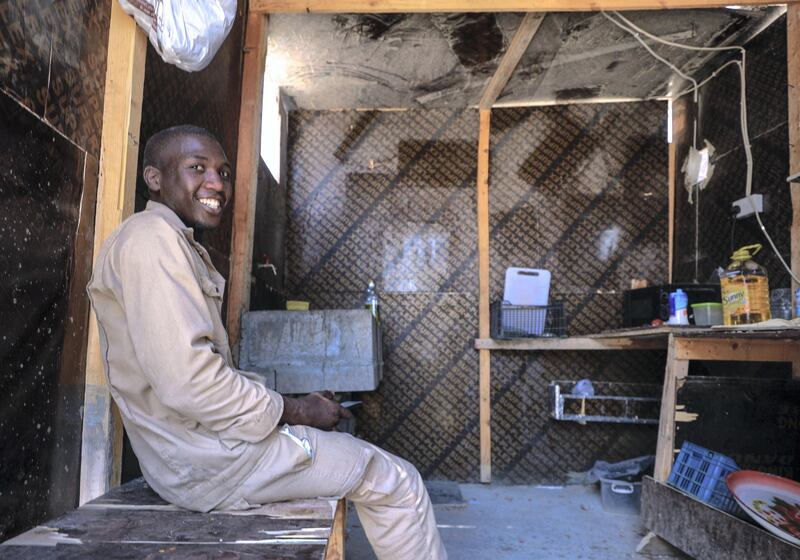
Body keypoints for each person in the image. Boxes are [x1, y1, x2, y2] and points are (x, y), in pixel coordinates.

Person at [87, 125, 447, 559]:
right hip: (212, 464)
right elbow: (190, 383)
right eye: (196, 168)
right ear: (154, 178)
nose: (216, 183)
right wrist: (297, 411)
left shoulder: (166, 241)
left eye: (222, 171)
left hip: (199, 454)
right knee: (398, 482)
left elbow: (199, 375)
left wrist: (293, 404)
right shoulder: (151, 240)